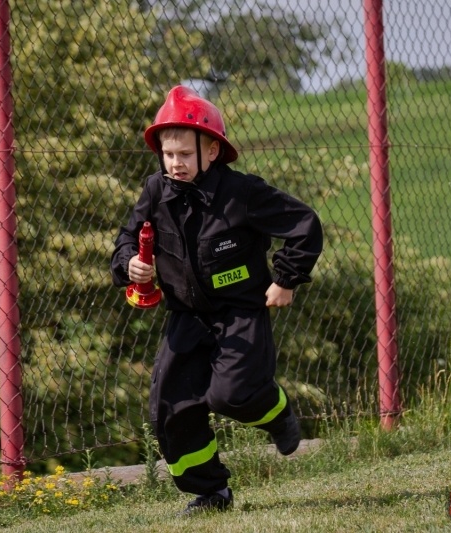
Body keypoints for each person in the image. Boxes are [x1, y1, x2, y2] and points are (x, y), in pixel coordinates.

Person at [110, 85, 323, 515]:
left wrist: (286, 279)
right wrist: (129, 263)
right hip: (187, 317)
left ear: (211, 150)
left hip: (241, 312)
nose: (175, 164)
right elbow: (126, 238)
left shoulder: (241, 192)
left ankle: (275, 411)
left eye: (184, 155)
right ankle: (211, 492)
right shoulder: (156, 191)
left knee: (232, 395)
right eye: (168, 155)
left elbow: (304, 223)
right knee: (169, 409)